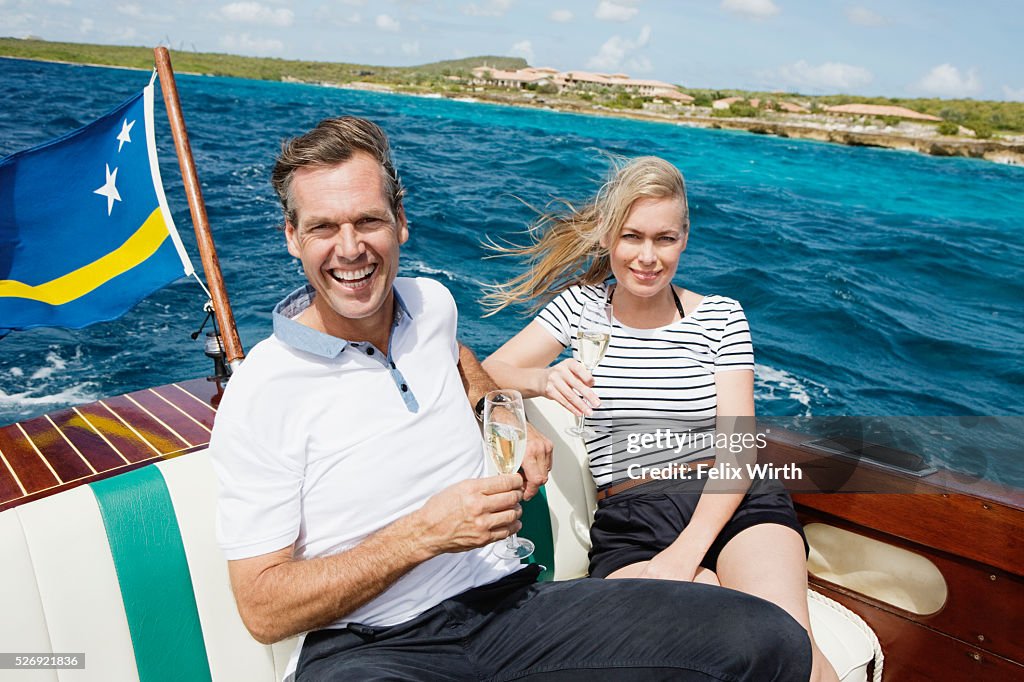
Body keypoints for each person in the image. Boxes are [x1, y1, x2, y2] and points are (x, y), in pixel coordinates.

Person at [209, 117, 812, 681]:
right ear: (292, 237)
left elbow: (465, 361)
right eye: (322, 227)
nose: (349, 248)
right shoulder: (263, 392)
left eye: (368, 221)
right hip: (373, 647)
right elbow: (262, 608)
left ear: (401, 220)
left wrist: (502, 414)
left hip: (509, 608)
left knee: (769, 638)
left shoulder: (429, 306)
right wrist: (424, 534)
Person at [482, 156, 839, 682]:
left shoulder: (721, 316)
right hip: (632, 519)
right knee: (700, 646)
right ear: (608, 237)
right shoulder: (579, 308)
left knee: (791, 646)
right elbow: (489, 371)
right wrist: (543, 379)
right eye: (633, 237)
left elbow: (738, 451)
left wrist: (684, 554)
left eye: (664, 239)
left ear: (685, 239)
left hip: (732, 501)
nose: (648, 257)